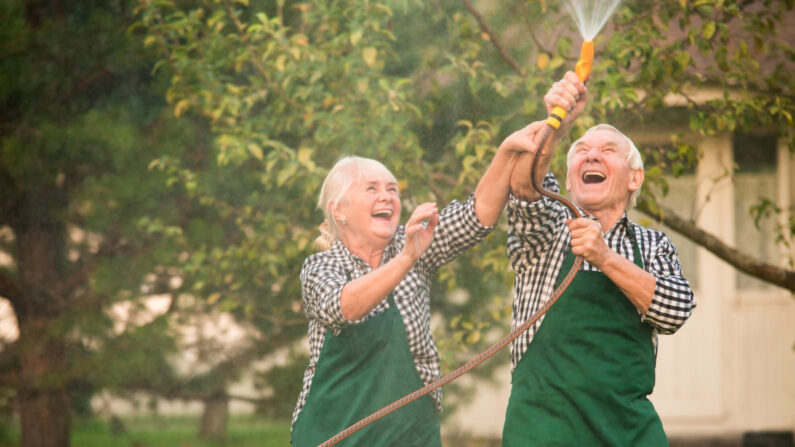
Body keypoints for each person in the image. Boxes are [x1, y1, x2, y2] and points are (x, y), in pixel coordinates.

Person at [290, 77, 577, 446]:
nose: (387, 197)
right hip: (332, 435)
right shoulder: (321, 267)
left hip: (411, 436)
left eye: (392, 189)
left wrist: (506, 153)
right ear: (339, 211)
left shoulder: (415, 243)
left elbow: (479, 214)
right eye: (372, 188)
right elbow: (344, 306)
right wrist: (408, 257)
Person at [501, 71, 697, 446]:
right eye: (581, 151)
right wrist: (559, 124)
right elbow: (525, 187)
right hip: (543, 430)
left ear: (634, 178)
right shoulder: (545, 233)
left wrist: (604, 257)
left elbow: (676, 312)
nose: (591, 154)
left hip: (626, 430)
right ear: (572, 181)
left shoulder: (653, 246)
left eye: (608, 151)